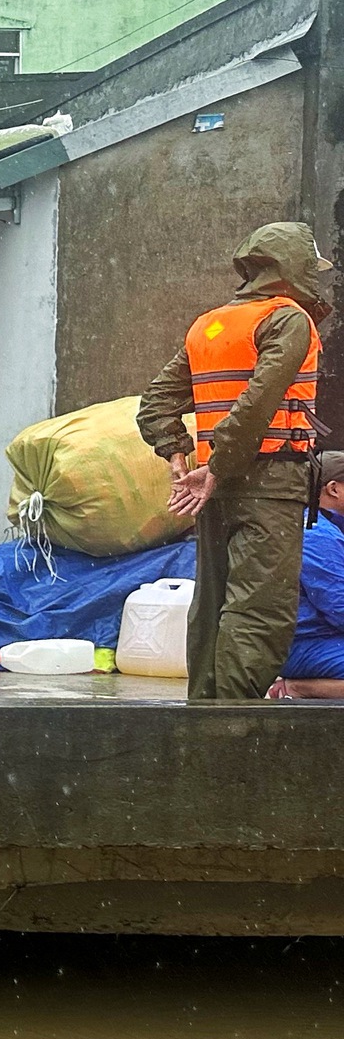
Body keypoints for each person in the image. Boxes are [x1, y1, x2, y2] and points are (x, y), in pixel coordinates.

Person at [137, 222, 333, 701]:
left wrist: (180, 457)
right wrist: (219, 466)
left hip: (218, 488)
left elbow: (155, 405)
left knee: (212, 605)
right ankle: (231, 732)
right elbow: (259, 400)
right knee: (260, 611)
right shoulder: (287, 319)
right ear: (292, 269)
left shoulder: (209, 324)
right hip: (267, 482)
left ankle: (202, 723)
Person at [271, 450, 344, 698]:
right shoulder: (316, 534)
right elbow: (339, 605)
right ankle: (298, 689)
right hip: (307, 643)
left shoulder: (323, 526)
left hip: (318, 637)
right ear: (333, 489)